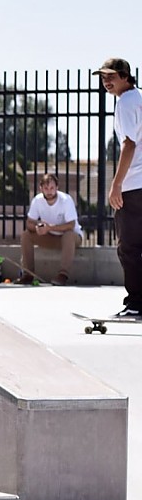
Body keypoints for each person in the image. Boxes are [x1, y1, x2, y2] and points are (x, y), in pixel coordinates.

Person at [96, 57, 142, 318]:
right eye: (103, 78)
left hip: (134, 185)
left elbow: (129, 144)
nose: (106, 82)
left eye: (111, 76)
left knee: (129, 247)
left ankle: (136, 303)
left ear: (125, 76)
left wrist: (116, 185)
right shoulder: (139, 98)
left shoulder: (125, 103)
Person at [17, 172, 82, 286]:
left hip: (70, 238)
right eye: (46, 188)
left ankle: (62, 275)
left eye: (52, 188)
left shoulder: (66, 200)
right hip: (49, 236)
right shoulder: (37, 200)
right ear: (41, 188)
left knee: (69, 235)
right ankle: (28, 274)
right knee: (26, 235)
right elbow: (29, 223)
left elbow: (71, 225)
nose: (49, 191)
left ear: (57, 187)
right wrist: (37, 227)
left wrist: (50, 227)